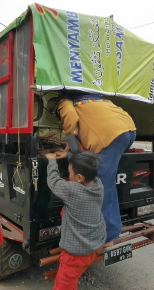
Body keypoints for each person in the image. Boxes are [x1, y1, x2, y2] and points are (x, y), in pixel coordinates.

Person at [53, 93, 136, 244]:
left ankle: (104, 238)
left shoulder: (64, 101)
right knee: (109, 184)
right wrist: (68, 148)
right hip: (129, 130)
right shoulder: (92, 99)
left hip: (112, 136)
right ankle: (113, 230)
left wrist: (67, 132)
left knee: (98, 187)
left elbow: (70, 119)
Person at [45, 150, 106, 290]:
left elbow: (53, 182)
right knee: (72, 278)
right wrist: (70, 156)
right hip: (96, 243)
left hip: (77, 254)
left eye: (69, 172)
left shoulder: (73, 190)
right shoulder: (98, 185)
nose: (68, 174)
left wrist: (52, 160)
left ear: (79, 177)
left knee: (63, 285)